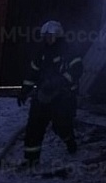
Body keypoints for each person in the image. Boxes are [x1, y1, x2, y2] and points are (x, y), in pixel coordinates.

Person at [17, 20, 83, 164]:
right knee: (34, 126)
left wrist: (57, 82)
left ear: (58, 36)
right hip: (43, 96)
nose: (47, 39)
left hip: (63, 97)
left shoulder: (69, 51)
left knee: (61, 126)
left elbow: (76, 70)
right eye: (45, 36)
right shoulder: (42, 52)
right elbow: (33, 73)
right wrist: (24, 90)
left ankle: (70, 141)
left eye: (50, 36)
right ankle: (31, 160)